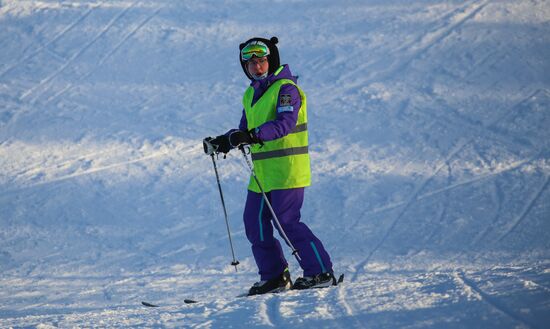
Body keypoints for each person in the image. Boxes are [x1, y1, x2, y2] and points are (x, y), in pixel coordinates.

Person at [203, 36, 335, 295]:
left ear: (271, 60)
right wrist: (223, 142)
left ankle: (320, 272)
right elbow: (244, 130)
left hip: (287, 170)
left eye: (262, 60)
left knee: (287, 222)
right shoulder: (251, 93)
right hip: (262, 173)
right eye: (251, 63)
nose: (257, 67)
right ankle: (274, 276)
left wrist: (252, 136)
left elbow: (284, 124)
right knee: (254, 223)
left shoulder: (286, 89)